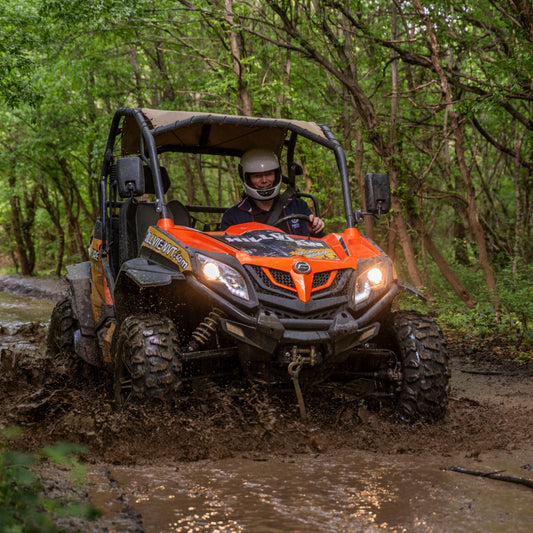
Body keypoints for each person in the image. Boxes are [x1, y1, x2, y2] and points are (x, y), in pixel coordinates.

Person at [220, 148, 325, 236]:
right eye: (257, 176)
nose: (264, 180)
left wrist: (315, 231)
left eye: (269, 174)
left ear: (276, 174)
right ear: (247, 178)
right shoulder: (233, 217)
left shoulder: (298, 207)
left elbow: (318, 249)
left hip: (294, 260)